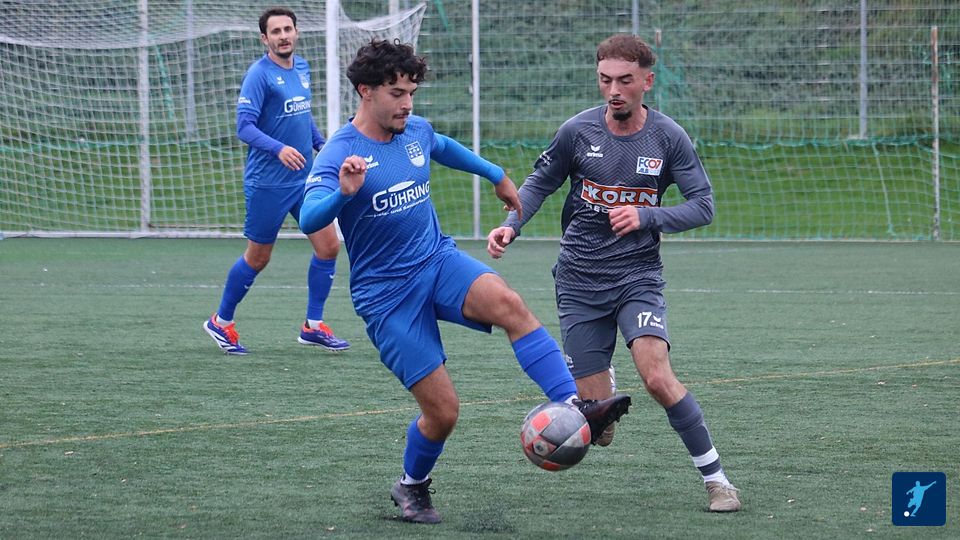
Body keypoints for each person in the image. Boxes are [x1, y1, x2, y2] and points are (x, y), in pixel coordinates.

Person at [299, 39, 631, 524]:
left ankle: (578, 406)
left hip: (436, 261)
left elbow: (442, 147)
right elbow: (309, 217)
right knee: (444, 413)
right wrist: (343, 194)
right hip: (386, 297)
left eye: (411, 93)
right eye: (396, 93)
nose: (407, 104)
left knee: (508, 303)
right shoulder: (340, 153)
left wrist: (495, 174)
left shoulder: (415, 130)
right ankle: (411, 486)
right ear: (365, 91)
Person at [486, 34, 741, 513]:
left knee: (657, 378)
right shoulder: (577, 132)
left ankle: (718, 481)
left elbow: (703, 206)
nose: (614, 91)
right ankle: (598, 387)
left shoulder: (668, 138)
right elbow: (539, 184)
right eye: (605, 80)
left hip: (636, 277)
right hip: (579, 281)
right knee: (598, 431)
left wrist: (647, 216)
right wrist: (511, 225)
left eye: (625, 81)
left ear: (647, 81)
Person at [203, 7, 349, 355]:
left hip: (303, 181)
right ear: (264, 38)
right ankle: (221, 322)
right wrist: (279, 148)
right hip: (268, 184)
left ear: (296, 32)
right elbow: (244, 127)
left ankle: (313, 326)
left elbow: (302, 114)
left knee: (329, 246)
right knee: (258, 258)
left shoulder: (302, 68)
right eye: (276, 31)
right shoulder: (259, 75)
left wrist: (321, 144)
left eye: (288, 29)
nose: (283, 36)